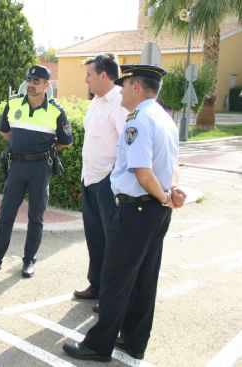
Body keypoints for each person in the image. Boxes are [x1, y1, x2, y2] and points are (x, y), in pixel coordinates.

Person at [63, 64, 187, 362]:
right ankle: (134, 340)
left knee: (116, 279)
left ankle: (98, 345)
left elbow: (143, 172)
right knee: (145, 279)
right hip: (155, 211)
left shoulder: (139, 120)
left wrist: (164, 197)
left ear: (136, 87)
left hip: (138, 209)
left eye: (125, 82)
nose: (121, 89)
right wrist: (170, 194)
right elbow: (172, 166)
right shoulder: (165, 118)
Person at [0, 65, 73, 279]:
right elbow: (5, 131)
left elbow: (66, 142)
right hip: (17, 167)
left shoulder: (56, 110)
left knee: (36, 216)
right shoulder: (13, 103)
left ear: (47, 85)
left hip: (41, 168)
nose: (31, 85)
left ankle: (29, 260)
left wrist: (44, 151)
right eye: (29, 80)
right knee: (6, 215)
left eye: (36, 82)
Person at [73, 54, 128, 312]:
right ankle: (95, 286)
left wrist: (113, 178)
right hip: (90, 178)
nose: (87, 79)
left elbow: (126, 146)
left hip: (107, 181)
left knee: (112, 242)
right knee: (94, 238)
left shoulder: (119, 102)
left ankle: (109, 295)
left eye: (90, 75)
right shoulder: (96, 101)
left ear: (104, 75)